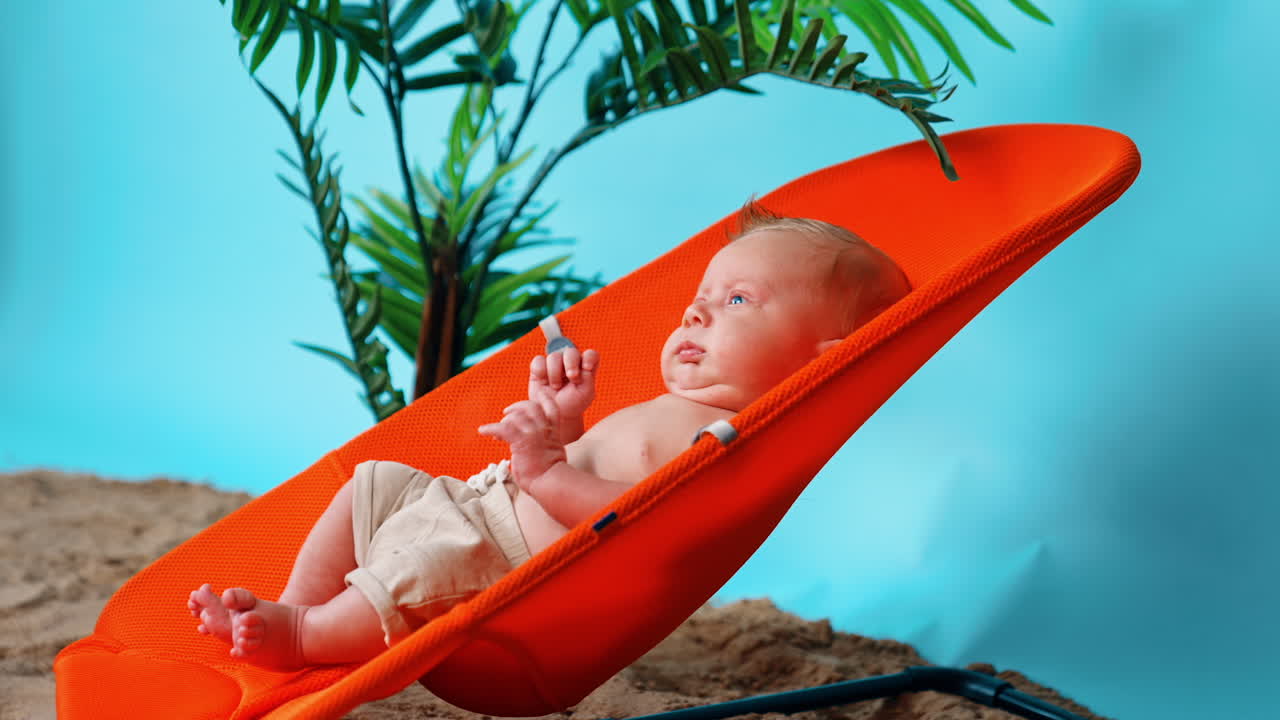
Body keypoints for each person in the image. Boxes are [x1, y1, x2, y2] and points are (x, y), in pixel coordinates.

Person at [187, 199, 912, 670]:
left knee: (412, 576)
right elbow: (592, 463)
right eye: (698, 302)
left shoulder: (725, 442)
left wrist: (540, 472)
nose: (695, 316)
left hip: (495, 558)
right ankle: (294, 604)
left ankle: (304, 640)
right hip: (476, 501)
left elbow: (635, 526)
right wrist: (561, 428)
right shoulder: (675, 406)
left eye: (737, 301)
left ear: (830, 355)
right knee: (369, 481)